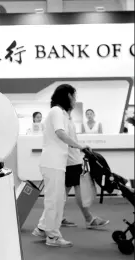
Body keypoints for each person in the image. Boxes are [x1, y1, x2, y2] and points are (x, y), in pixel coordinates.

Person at [32, 84, 90, 247]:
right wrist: (78, 146)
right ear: (67, 96)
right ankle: (53, 236)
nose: (75, 99)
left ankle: (44, 229)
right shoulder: (56, 111)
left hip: (56, 163)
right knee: (54, 200)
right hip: (52, 162)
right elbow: (60, 133)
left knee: (57, 198)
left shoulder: (60, 113)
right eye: (73, 96)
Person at [61, 109, 109, 228]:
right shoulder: (62, 119)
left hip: (72, 159)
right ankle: (89, 219)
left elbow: (71, 139)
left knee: (64, 191)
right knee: (76, 189)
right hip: (71, 160)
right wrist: (80, 147)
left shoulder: (68, 119)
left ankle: (58, 217)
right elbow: (65, 138)